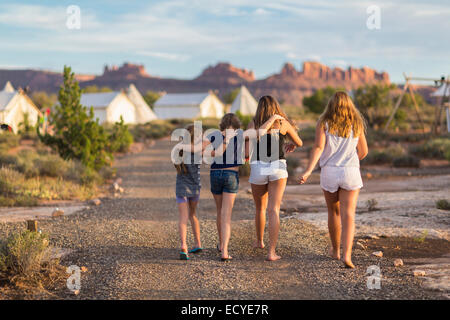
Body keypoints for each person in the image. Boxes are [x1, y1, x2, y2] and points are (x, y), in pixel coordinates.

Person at [299, 91, 368, 268]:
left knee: (333, 212)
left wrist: (308, 171)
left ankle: (336, 250)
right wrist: (351, 161)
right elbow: (364, 151)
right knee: (349, 215)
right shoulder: (357, 123)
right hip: (350, 172)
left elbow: (318, 147)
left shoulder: (324, 123)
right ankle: (347, 255)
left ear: (330, 105)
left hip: (330, 171)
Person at [246, 95, 303, 261]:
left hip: (258, 166)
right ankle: (271, 252)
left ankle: (259, 241)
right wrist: (291, 143)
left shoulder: (254, 123)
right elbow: (299, 142)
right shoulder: (283, 123)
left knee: (259, 208)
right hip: (277, 167)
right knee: (274, 210)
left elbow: (248, 150)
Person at [173, 124, 202, 260]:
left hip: (181, 188)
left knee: (183, 218)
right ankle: (198, 243)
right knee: (193, 215)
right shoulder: (198, 152)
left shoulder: (179, 151)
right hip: (195, 188)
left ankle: (184, 246)